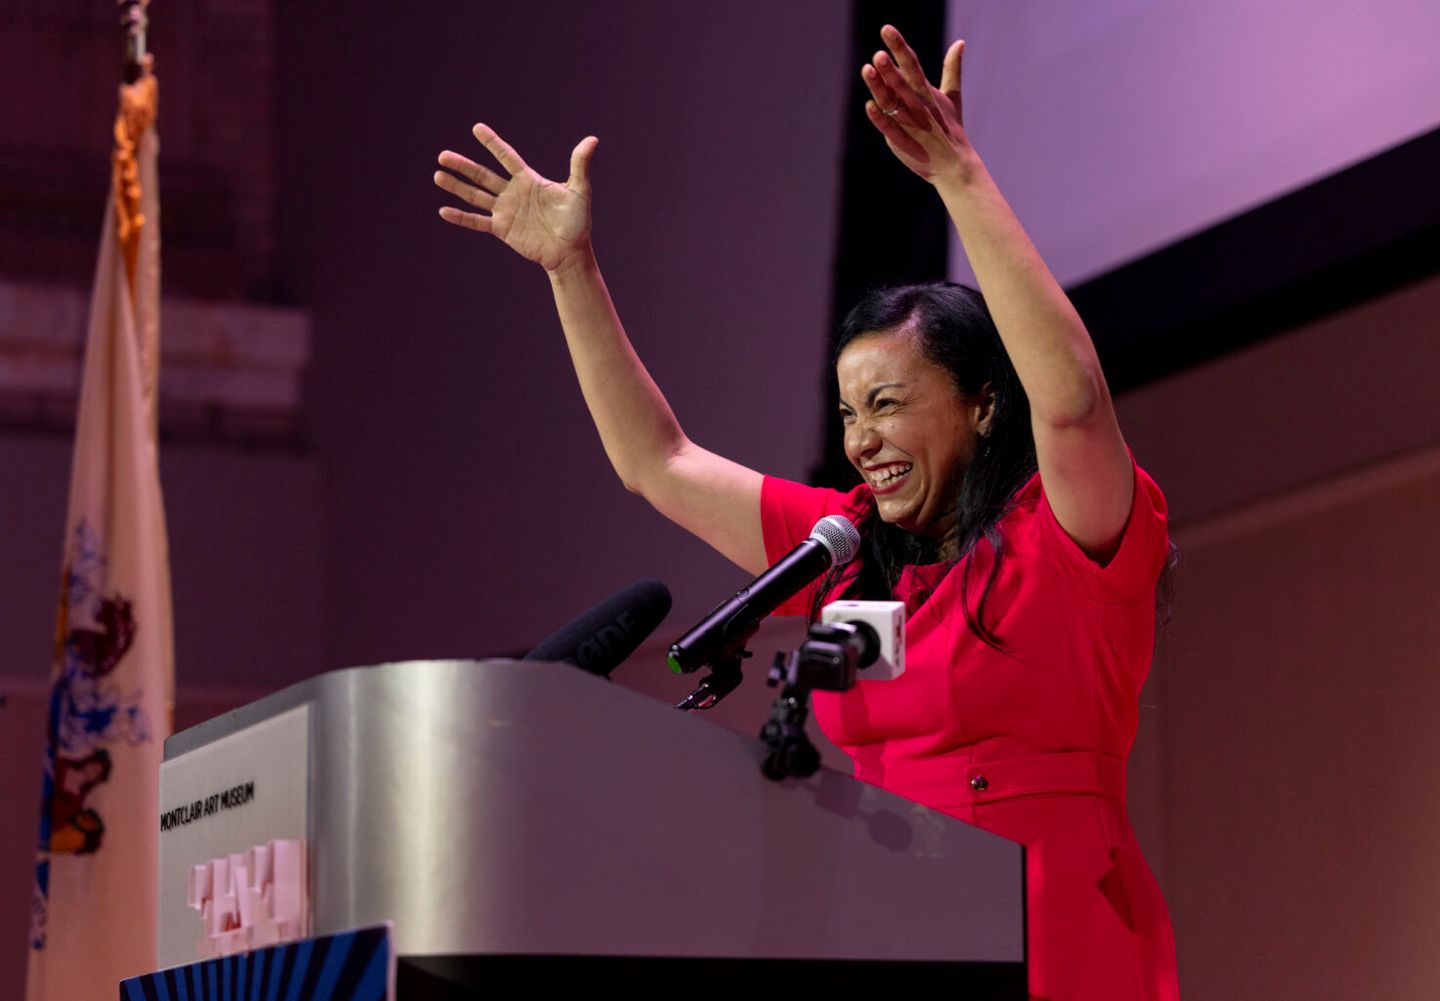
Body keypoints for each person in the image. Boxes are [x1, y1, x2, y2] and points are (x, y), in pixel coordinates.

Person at [435, 24, 1179, 1001]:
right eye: (845, 412)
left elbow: (1074, 399)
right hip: (885, 935)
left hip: (1054, 949)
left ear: (983, 403)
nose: (860, 439)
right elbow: (656, 461)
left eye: (887, 403)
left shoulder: (1065, 539)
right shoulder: (841, 545)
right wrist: (570, 270)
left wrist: (957, 175)